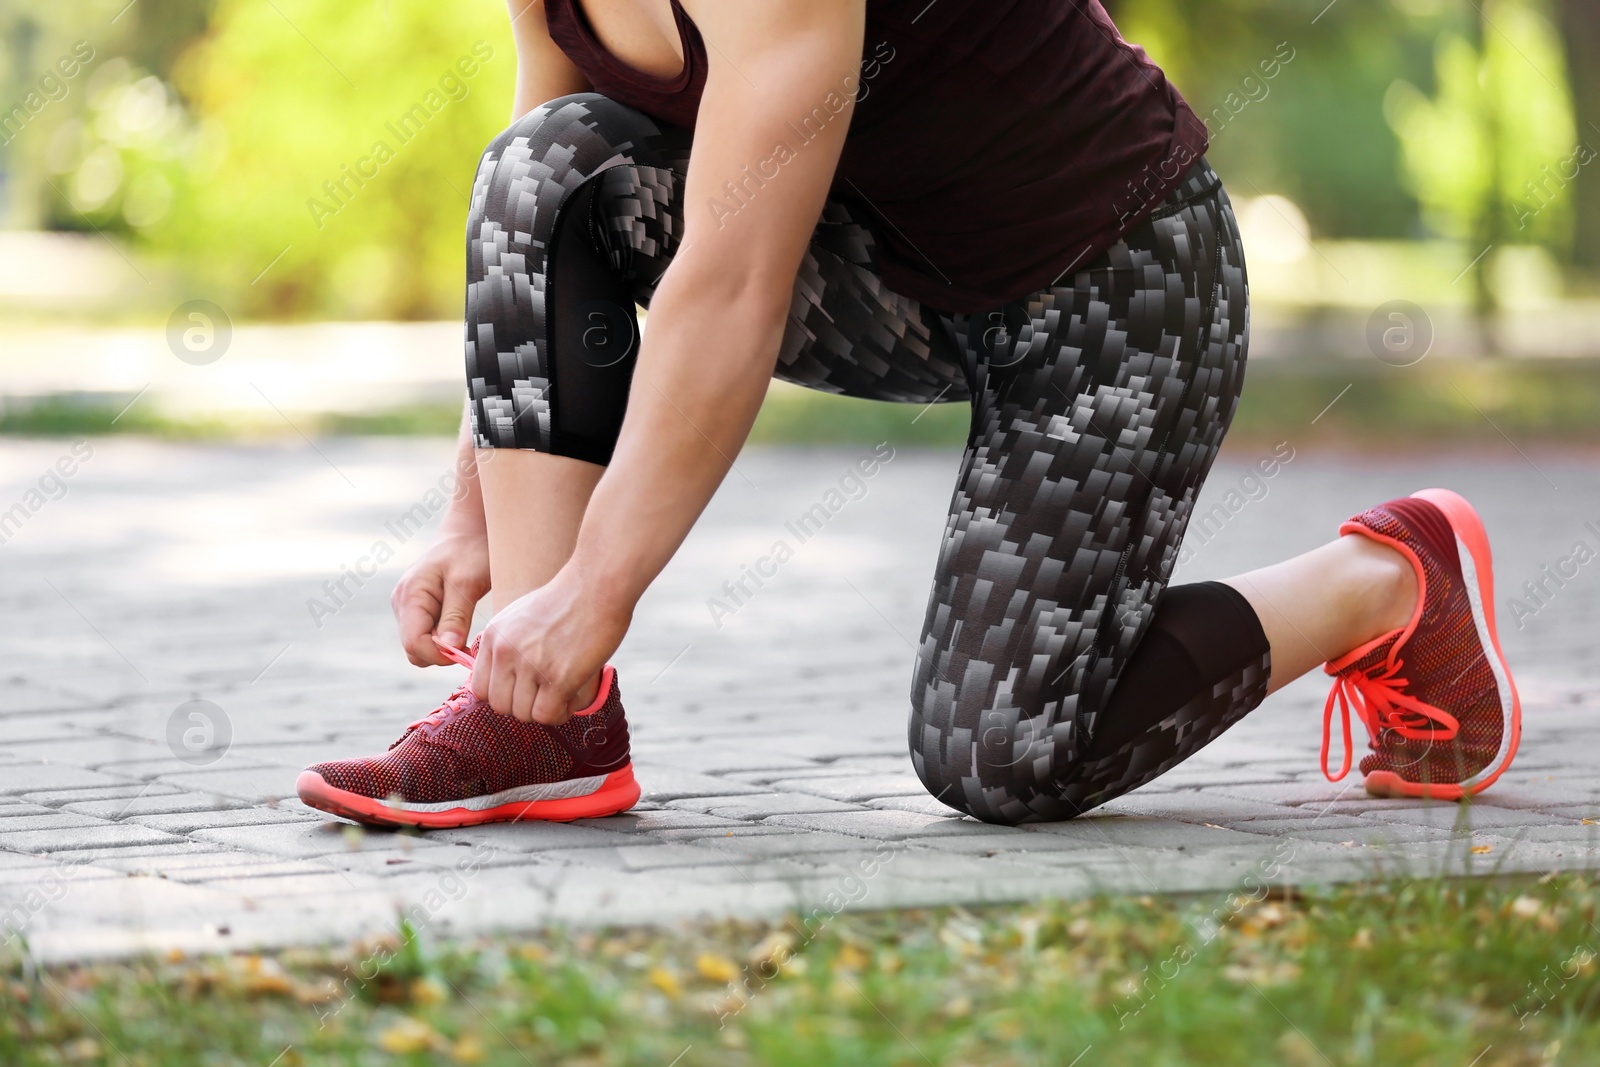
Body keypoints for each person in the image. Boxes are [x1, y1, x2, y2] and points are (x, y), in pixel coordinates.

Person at [295, 0, 1520, 828]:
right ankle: (543, 721)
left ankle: (1386, 576)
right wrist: (481, 517)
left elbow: (727, 288)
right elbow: (545, 198)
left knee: (1007, 756)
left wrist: (602, 584)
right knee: (542, 162)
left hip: (1113, 289)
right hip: (895, 272)